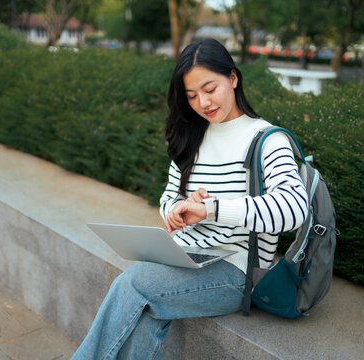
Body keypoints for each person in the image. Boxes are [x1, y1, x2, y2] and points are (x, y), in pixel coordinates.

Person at [71, 38, 308, 359]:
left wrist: (211, 209)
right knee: (145, 311)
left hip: (237, 270)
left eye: (210, 89)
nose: (203, 103)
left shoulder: (267, 139)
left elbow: (294, 209)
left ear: (233, 78)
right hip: (187, 255)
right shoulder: (193, 135)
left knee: (135, 283)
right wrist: (177, 211)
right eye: (192, 95)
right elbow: (170, 197)